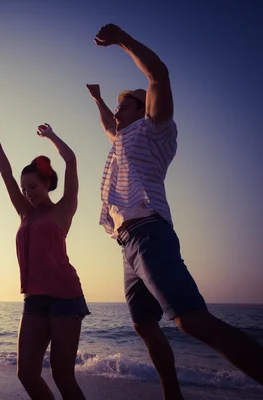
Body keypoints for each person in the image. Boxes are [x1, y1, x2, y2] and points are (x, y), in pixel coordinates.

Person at [88, 23, 263, 399]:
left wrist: (122, 40)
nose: (117, 111)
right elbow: (107, 125)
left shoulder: (156, 130)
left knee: (190, 320)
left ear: (142, 107)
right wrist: (98, 100)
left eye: (123, 104)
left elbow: (158, 74)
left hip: (150, 231)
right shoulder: (121, 140)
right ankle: (173, 394)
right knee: (145, 325)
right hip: (127, 242)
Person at [0, 111, 88, 400]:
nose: (28, 193)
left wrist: (52, 136)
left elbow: (71, 160)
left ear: (47, 183)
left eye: (33, 186)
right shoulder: (25, 212)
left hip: (66, 297)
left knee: (62, 374)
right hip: (34, 299)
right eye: (24, 188)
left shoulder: (63, 209)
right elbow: (5, 172)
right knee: (26, 373)